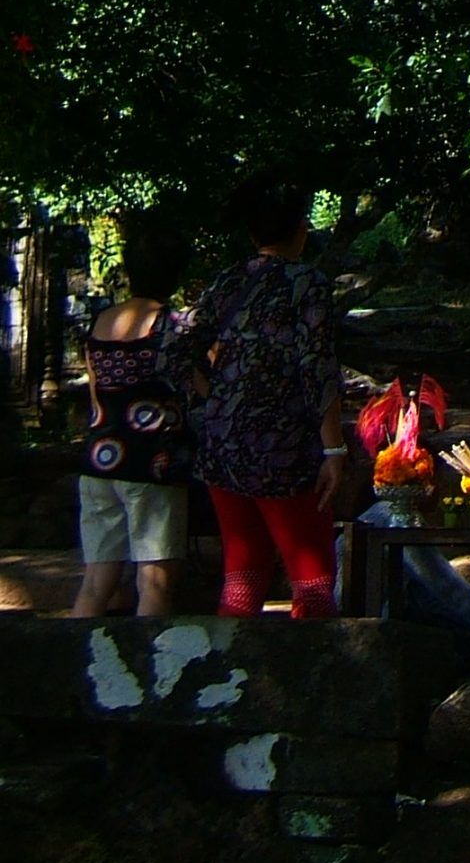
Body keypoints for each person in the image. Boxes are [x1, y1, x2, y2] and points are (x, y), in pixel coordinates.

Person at [167, 173, 345, 619]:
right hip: (285, 449)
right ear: (301, 229)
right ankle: (314, 659)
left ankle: (228, 658)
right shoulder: (308, 284)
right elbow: (318, 366)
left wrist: (213, 399)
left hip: (222, 446)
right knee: (312, 580)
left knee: (242, 574)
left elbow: (175, 350)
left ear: (252, 233)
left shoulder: (229, 281)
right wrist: (334, 449)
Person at [73, 219, 192, 618]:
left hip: (101, 461)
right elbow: (202, 389)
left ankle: (74, 655)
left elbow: (96, 395)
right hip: (152, 464)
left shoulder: (100, 322)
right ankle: (150, 658)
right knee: (154, 582)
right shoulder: (173, 327)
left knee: (95, 583)